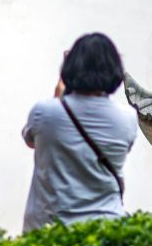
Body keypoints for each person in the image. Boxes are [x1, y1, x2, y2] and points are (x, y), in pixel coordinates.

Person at [22, 33, 137, 231]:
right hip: (106, 227)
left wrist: (60, 91)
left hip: (49, 229)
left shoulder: (44, 112)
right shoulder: (127, 118)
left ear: (69, 67)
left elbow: (31, 141)